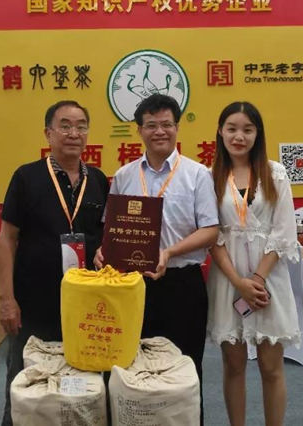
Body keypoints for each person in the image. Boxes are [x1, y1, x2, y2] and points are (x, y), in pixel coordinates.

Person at [94, 94, 219, 424]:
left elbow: (210, 230)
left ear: (177, 128)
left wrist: (169, 252)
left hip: (182, 284)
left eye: (166, 124)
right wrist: (103, 250)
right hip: (132, 287)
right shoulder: (124, 175)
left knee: (185, 367)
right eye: (151, 125)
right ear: (139, 131)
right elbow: (111, 228)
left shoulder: (197, 174)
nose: (159, 131)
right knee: (131, 368)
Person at [0, 100, 109, 426]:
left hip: (86, 306)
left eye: (81, 126)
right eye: (65, 126)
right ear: (49, 133)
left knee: (85, 383)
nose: (74, 133)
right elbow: (7, 239)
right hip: (35, 303)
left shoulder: (98, 180)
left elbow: (104, 237)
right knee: (25, 382)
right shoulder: (26, 177)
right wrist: (6, 299)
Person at [206, 102, 300, 426]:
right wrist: (238, 282)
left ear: (257, 134)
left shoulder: (275, 173)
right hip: (227, 280)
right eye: (232, 128)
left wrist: (256, 280)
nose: (239, 136)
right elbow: (212, 234)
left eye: (247, 129)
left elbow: (284, 232)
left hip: (268, 280)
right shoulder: (210, 177)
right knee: (233, 366)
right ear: (220, 132)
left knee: (271, 368)